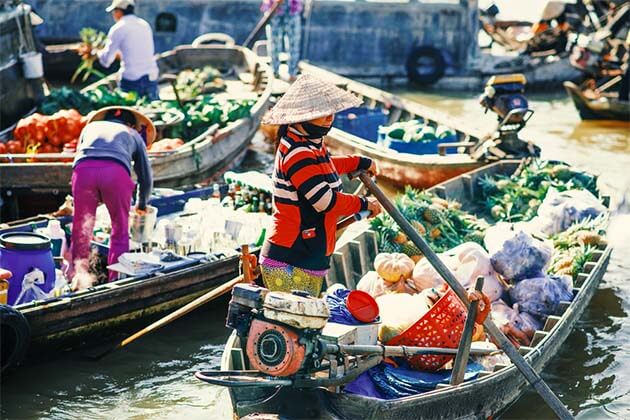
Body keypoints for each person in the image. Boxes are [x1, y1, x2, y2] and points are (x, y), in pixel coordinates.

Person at [259, 74, 382, 297]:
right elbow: (326, 201)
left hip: (307, 255)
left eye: (330, 110)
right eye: (319, 113)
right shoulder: (298, 152)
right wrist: (365, 203)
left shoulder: (309, 145)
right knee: (296, 325)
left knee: (303, 323)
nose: (329, 117)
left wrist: (359, 162)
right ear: (301, 117)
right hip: (291, 257)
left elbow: (323, 167)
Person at [70, 106, 155, 289]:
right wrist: (141, 203)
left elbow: (81, 157)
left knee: (81, 229)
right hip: (115, 174)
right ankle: (114, 282)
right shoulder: (132, 133)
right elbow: (146, 178)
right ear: (131, 124)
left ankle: (77, 279)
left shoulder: (89, 128)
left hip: (83, 172)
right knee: (119, 230)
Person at [81, 0, 159, 99]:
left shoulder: (118, 28)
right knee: (150, 109)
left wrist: (95, 52)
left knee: (128, 112)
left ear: (119, 11)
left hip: (132, 80)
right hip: (151, 76)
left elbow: (106, 61)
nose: (113, 15)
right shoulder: (144, 24)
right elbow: (135, 51)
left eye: (114, 12)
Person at [261, 0, 303, 81]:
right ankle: (274, 72)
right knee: (274, 44)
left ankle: (292, 73)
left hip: (291, 11)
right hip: (274, 10)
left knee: (293, 44)